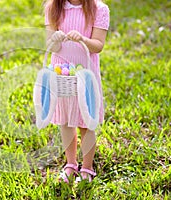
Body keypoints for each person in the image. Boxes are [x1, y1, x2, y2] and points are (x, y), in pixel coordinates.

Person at [44, 0, 110, 182]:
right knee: (66, 121)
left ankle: (87, 168)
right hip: (62, 74)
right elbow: (52, 45)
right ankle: (71, 164)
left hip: (86, 73)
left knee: (86, 122)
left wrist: (82, 39)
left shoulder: (99, 9)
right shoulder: (53, 7)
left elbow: (98, 45)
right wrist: (55, 39)